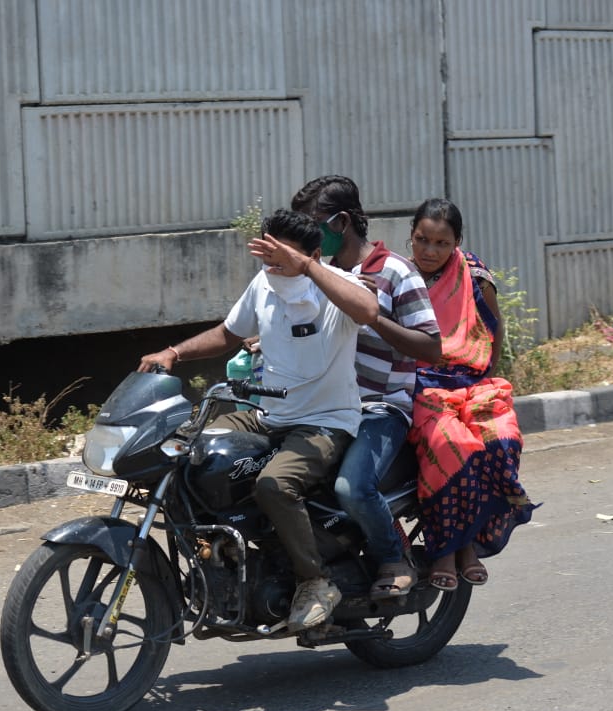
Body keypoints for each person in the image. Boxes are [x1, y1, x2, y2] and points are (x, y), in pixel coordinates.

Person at [138, 208, 378, 632]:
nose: (272, 262)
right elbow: (230, 333)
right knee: (185, 454)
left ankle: (315, 582)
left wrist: (307, 267)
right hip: (268, 417)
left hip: (325, 422)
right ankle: (216, 557)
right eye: (266, 251)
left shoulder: (336, 289)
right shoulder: (264, 284)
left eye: (280, 253)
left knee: (274, 485)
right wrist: (173, 353)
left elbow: (368, 311)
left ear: (314, 253)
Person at [290, 176, 442, 599]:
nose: (305, 236)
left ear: (340, 223)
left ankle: (394, 558)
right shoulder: (318, 272)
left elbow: (431, 348)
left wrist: (374, 316)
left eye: (312, 224)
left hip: (380, 407)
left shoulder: (395, 271)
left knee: (351, 488)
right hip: (321, 406)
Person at [405, 198, 537, 590]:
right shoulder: (400, 276)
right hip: (423, 385)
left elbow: (493, 332)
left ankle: (470, 545)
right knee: (451, 446)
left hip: (472, 383)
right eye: (421, 240)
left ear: (457, 243)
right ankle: (447, 550)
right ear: (410, 236)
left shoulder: (475, 275)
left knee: (502, 442)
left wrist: (481, 384)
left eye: (441, 244)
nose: (429, 251)